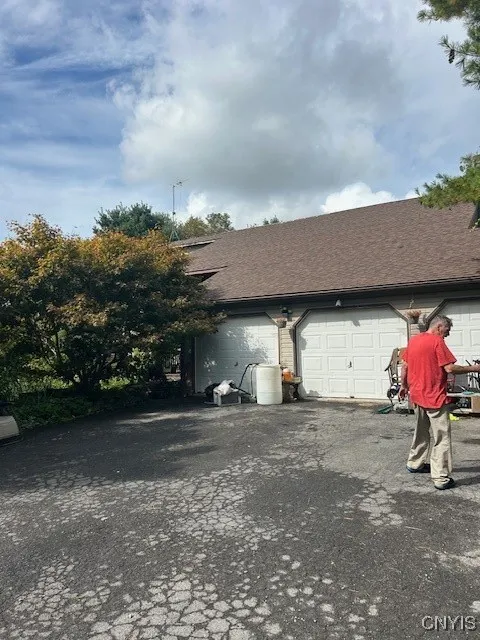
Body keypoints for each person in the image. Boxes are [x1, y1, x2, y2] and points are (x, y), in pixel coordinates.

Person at [399, 314, 480, 490]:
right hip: (434, 398)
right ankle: (441, 478)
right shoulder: (437, 341)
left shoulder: (414, 341)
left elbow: (405, 366)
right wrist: (474, 368)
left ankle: (414, 463)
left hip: (417, 396)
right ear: (439, 327)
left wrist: (403, 386)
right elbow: (450, 368)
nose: (447, 334)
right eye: (447, 330)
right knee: (441, 438)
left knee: (421, 432)